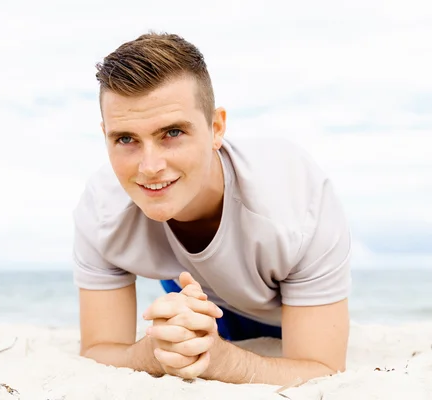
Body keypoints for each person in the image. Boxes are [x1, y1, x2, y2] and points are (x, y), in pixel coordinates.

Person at [71, 31, 352, 386]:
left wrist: (222, 361)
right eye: (125, 139)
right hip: (189, 289)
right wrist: (152, 352)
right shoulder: (102, 208)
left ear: (216, 127)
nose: (149, 166)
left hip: (280, 311)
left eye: (172, 133)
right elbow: (98, 350)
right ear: (105, 135)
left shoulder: (295, 200)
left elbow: (322, 368)